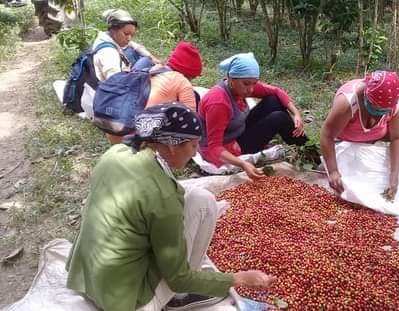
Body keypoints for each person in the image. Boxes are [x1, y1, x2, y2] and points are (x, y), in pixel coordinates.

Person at [66, 103, 276, 311]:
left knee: (200, 198)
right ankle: (179, 299)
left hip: (86, 278)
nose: (194, 153)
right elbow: (179, 278)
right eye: (193, 145)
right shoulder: (163, 195)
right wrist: (238, 278)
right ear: (173, 145)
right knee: (203, 205)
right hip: (125, 301)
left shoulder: (116, 153)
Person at [320, 70, 399, 200]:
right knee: (335, 181)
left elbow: (398, 138)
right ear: (366, 94)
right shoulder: (347, 102)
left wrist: (394, 175)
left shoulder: (396, 102)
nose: (378, 113)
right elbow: (327, 135)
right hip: (348, 139)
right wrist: (333, 171)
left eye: (384, 111)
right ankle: (329, 168)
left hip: (378, 132)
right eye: (375, 108)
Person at [198, 52, 307, 179]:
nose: (251, 89)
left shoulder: (239, 86)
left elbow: (277, 91)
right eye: (246, 84)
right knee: (279, 118)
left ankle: (304, 149)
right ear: (231, 79)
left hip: (236, 131)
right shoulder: (219, 103)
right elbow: (214, 147)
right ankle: (307, 151)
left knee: (273, 100)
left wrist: (296, 114)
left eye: (254, 83)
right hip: (227, 148)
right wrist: (243, 164)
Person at [105, 41, 203, 145]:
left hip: (113, 131)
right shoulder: (182, 82)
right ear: (188, 74)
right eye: (193, 77)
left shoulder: (152, 70)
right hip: (136, 142)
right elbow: (192, 125)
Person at [92, 9, 161, 81]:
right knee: (146, 61)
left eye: (132, 35)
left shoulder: (105, 38)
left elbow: (133, 45)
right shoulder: (109, 53)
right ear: (113, 29)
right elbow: (115, 83)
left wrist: (152, 57)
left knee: (134, 51)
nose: (129, 38)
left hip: (123, 73)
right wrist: (150, 72)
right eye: (126, 34)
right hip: (120, 85)